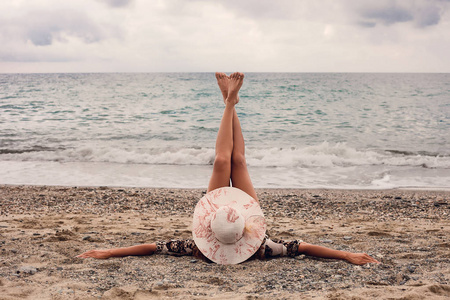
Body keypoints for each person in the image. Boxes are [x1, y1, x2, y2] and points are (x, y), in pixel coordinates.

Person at [77, 72, 380, 266]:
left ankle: (228, 103)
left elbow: (150, 247)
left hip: (217, 215)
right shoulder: (263, 248)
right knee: (237, 162)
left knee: (222, 161)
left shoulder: (195, 247)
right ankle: (230, 102)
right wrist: (346, 255)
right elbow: (304, 247)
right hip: (244, 217)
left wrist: (109, 252)